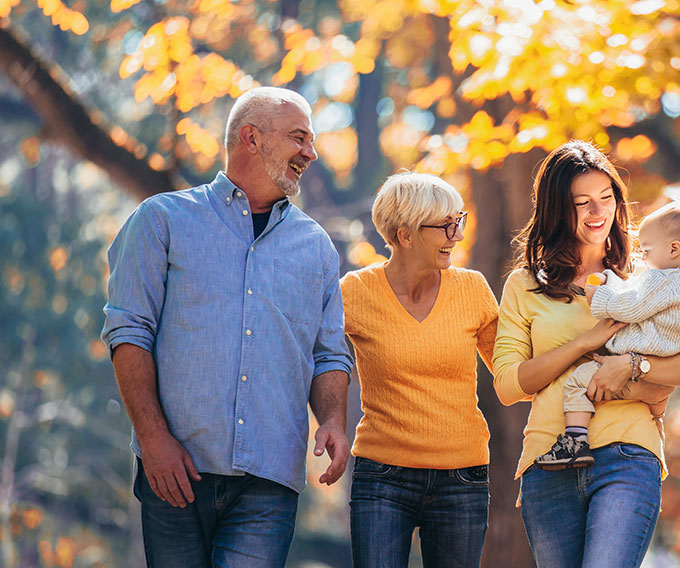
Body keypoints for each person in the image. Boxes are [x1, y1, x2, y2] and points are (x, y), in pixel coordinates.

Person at [101, 86, 353, 566]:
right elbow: (129, 332)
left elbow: (329, 353)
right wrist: (153, 440)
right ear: (251, 138)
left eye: (312, 141)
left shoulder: (316, 247)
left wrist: (335, 421)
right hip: (175, 470)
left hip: (268, 482)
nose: (311, 153)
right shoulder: (162, 221)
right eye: (299, 138)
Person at [493, 141, 680, 567]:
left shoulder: (648, 275)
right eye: (582, 203)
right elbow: (508, 385)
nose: (598, 212)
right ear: (557, 209)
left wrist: (633, 368)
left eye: (606, 198)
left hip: (627, 455)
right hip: (548, 461)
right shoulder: (524, 286)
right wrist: (584, 342)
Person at [340, 172, 497, 567]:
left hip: (462, 477)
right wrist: (326, 422)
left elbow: (513, 372)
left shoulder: (473, 289)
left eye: (458, 221)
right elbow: (320, 362)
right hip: (382, 476)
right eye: (446, 226)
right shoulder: (354, 292)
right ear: (406, 236)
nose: (457, 235)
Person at [534, 200, 680, 470]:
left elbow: (631, 306)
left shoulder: (659, 279)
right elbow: (634, 290)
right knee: (655, 406)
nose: (642, 257)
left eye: (648, 250)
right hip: (663, 361)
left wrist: (599, 296)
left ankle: (574, 441)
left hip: (641, 351)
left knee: (577, 383)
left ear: (674, 248)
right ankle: (656, 427)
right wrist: (611, 280)